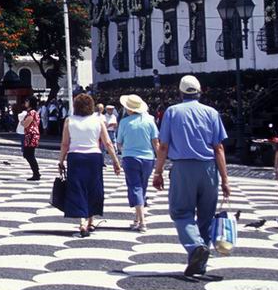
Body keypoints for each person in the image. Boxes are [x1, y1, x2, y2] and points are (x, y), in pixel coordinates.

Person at [152, 75, 231, 277]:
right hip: (209, 168)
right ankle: (199, 264)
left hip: (183, 169)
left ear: (180, 92)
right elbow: (219, 147)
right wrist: (225, 179)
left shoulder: (172, 112)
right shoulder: (211, 113)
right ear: (200, 91)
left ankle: (195, 247)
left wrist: (158, 171)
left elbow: (163, 146)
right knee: (205, 217)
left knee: (181, 213)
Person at [58, 93, 121, 237]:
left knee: (77, 187)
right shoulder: (98, 121)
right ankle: (91, 220)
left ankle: (82, 222)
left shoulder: (69, 120)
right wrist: (115, 162)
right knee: (93, 187)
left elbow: (65, 143)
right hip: (94, 157)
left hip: (75, 157)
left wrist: (61, 160)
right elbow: (108, 143)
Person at [116, 94, 159, 232]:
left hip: (130, 157)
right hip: (148, 158)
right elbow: (155, 142)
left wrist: (124, 151)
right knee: (142, 187)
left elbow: (119, 143)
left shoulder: (124, 122)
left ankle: (142, 221)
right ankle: (137, 218)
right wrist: (160, 162)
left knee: (135, 187)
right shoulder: (150, 121)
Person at [21, 97, 41, 181]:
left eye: (27, 100)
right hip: (30, 134)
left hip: (31, 134)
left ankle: (36, 173)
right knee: (28, 154)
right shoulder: (30, 112)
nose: (25, 102)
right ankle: (36, 173)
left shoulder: (32, 112)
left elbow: (25, 124)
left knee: (28, 154)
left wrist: (22, 122)